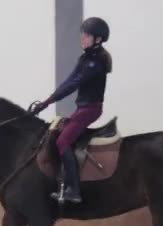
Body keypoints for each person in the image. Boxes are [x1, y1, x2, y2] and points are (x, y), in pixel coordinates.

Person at [30, 17, 113, 204]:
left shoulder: (96, 62)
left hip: (90, 109)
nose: (82, 38)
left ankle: (73, 190)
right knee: (59, 133)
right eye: (82, 34)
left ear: (98, 39)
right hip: (82, 108)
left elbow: (73, 85)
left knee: (62, 142)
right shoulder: (85, 58)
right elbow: (68, 81)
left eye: (87, 35)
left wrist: (48, 102)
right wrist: (46, 101)